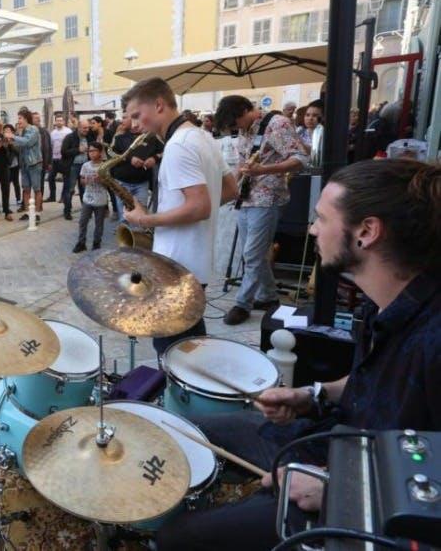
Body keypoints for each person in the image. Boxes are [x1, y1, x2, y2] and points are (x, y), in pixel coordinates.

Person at [157, 158, 441, 551]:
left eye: (322, 219)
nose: (311, 229)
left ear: (366, 232)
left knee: (177, 539)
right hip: (331, 439)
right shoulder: (382, 305)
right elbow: (371, 386)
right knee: (178, 430)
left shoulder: (433, 339)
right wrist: (311, 395)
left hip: (367, 507)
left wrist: (332, 486)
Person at [122, 78, 237, 355]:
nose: (134, 125)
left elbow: (199, 207)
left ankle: (182, 395)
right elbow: (230, 189)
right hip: (196, 264)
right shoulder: (203, 137)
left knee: (172, 349)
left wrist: (144, 220)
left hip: (177, 266)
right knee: (191, 343)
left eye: (137, 115)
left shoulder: (178, 145)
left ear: (159, 105)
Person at [215, 96, 308, 325]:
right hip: (248, 198)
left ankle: (242, 304)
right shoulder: (247, 130)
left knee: (252, 255)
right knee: (253, 255)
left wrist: (265, 169)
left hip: (268, 198)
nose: (237, 129)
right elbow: (242, 164)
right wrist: (228, 190)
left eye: (237, 124)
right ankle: (268, 297)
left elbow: (300, 158)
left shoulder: (277, 124)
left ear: (247, 110)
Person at [110, 98, 163, 225]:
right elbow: (111, 154)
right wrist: (129, 158)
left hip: (142, 183)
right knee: (125, 218)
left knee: (141, 217)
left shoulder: (151, 137)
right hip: (122, 183)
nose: (121, 121)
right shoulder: (119, 138)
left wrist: (154, 158)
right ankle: (126, 243)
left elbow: (165, 151)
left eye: (124, 118)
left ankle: (138, 242)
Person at [73, 143, 109, 253]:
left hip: (101, 200)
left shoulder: (105, 166)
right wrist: (86, 180)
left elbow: (108, 184)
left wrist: (101, 180)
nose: (91, 153)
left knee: (99, 224)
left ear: (100, 152)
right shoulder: (85, 165)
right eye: (90, 151)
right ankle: (81, 242)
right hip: (87, 199)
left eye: (94, 151)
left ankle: (96, 243)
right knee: (82, 221)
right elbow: (82, 181)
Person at [14, 109, 44, 221]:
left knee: (37, 189)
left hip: (34, 163)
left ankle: (37, 213)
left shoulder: (33, 129)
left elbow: (27, 142)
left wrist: (13, 137)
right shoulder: (21, 131)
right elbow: (19, 146)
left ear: (26, 118)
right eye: (18, 119)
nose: (18, 121)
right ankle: (28, 212)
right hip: (24, 164)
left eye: (20, 118)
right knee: (26, 189)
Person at [61, 120, 91, 220]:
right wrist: (78, 150)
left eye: (88, 128)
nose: (87, 130)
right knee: (70, 190)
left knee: (84, 189)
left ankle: (86, 211)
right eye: (84, 128)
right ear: (78, 128)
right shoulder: (70, 137)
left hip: (85, 166)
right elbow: (64, 152)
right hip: (72, 167)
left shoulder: (89, 137)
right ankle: (67, 211)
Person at [0, 123, 17, 221]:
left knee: (6, 188)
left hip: (5, 166)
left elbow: (14, 151)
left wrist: (8, 145)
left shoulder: (6, 137)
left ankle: (6, 211)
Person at [48, 115, 72, 202]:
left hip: (64, 159)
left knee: (66, 179)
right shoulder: (53, 133)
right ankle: (52, 196)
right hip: (55, 158)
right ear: (55, 122)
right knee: (50, 178)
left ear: (64, 122)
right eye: (57, 120)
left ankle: (63, 197)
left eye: (61, 120)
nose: (59, 122)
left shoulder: (68, 131)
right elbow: (51, 146)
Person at [32, 112, 53, 196]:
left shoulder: (44, 131)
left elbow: (49, 148)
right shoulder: (28, 131)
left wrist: (50, 162)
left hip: (42, 162)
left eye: (39, 117)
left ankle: (39, 203)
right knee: (30, 184)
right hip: (32, 162)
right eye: (36, 118)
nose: (39, 119)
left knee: (40, 184)